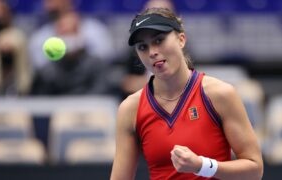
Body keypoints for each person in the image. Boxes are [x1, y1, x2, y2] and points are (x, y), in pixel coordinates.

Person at [110, 7, 263, 180]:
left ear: (181, 39)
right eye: (143, 47)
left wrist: (202, 166)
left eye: (159, 40)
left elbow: (254, 169)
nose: (152, 52)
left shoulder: (220, 94)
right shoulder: (130, 109)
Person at [31, 12, 107, 95]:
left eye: (72, 32)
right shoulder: (47, 72)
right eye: (64, 33)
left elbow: (100, 95)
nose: (69, 38)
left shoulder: (96, 66)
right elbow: (41, 100)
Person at [28, 0, 114, 70]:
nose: (48, 3)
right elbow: (39, 71)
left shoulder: (96, 31)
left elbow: (105, 66)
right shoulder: (39, 38)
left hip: (89, 88)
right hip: (56, 88)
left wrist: (78, 47)